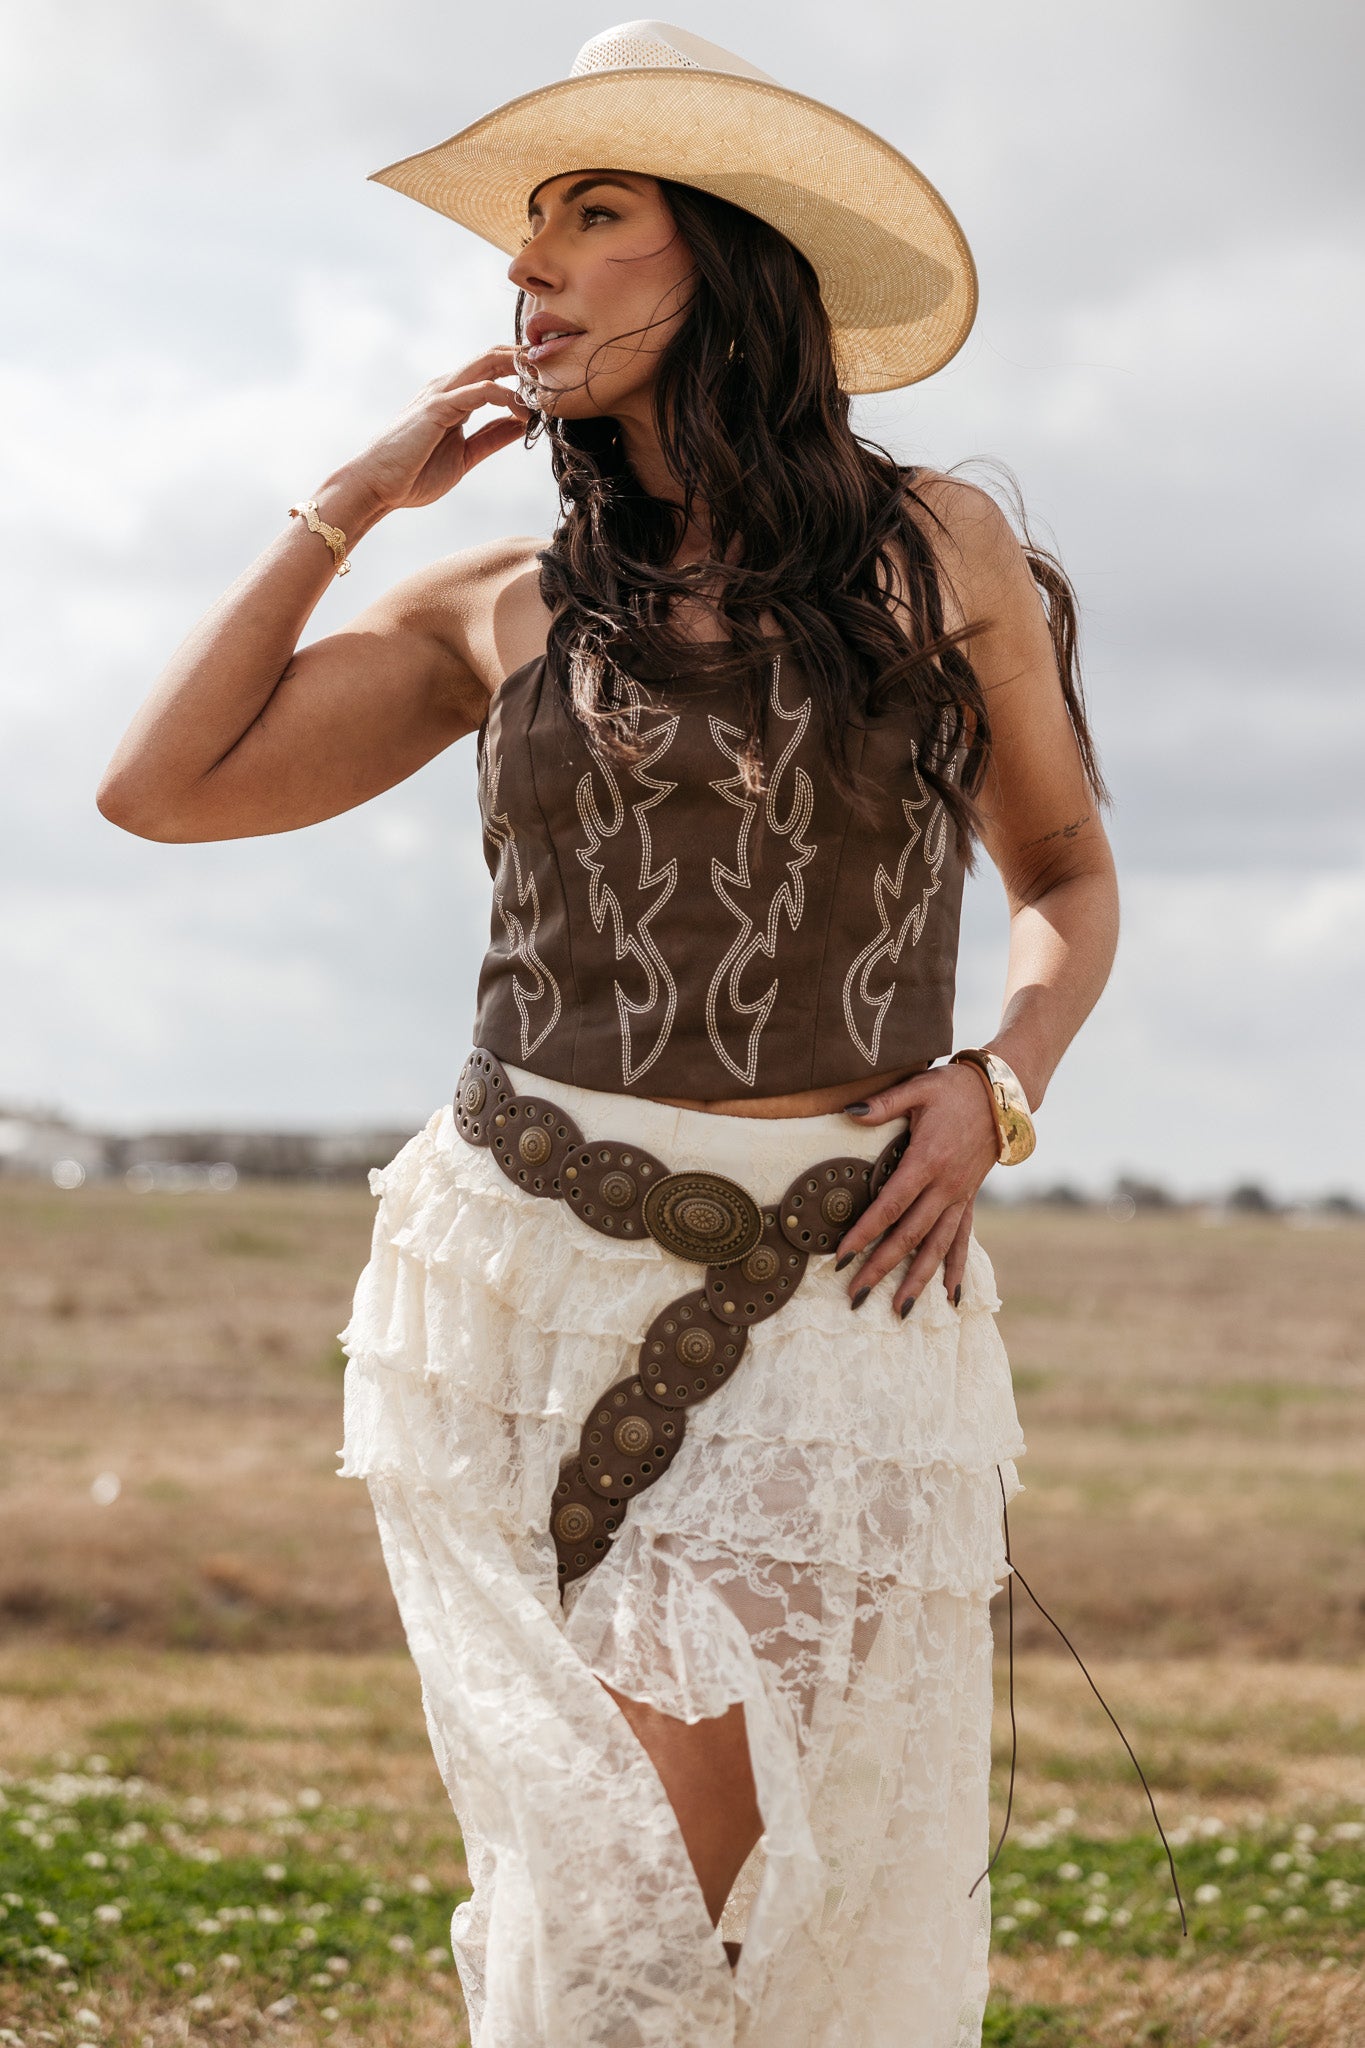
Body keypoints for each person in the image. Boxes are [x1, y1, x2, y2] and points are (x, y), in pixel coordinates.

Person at [97, 21, 1118, 2046]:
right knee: (605, 1867)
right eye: (523, 233)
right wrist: (348, 501)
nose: (528, 271)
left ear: (722, 258)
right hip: (512, 1267)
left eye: (592, 215)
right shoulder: (500, 608)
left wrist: (1000, 1085)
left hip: (835, 1275)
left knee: (714, 1849)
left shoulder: (941, 559)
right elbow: (166, 785)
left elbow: (1066, 878)